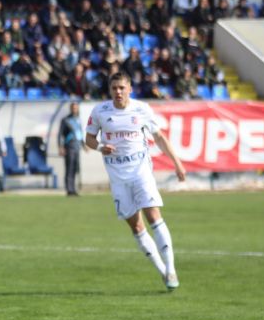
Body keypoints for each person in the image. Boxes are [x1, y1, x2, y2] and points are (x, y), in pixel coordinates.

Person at [85, 73, 188, 290]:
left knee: (153, 215)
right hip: (118, 179)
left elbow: (159, 137)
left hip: (141, 171)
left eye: (122, 87)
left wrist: (177, 163)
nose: (118, 92)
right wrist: (100, 147)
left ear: (130, 88)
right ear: (110, 90)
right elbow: (89, 138)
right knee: (136, 226)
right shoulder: (100, 112)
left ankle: (171, 269)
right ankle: (162, 271)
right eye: (114, 88)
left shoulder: (142, 109)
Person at [58, 100, 85, 196]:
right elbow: (60, 134)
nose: (75, 109)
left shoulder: (78, 119)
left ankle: (73, 189)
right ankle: (69, 189)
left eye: (76, 108)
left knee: (75, 168)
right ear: (71, 109)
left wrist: (84, 145)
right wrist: (60, 147)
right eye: (73, 108)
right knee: (69, 168)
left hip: (77, 146)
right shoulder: (66, 120)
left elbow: (80, 134)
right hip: (69, 146)